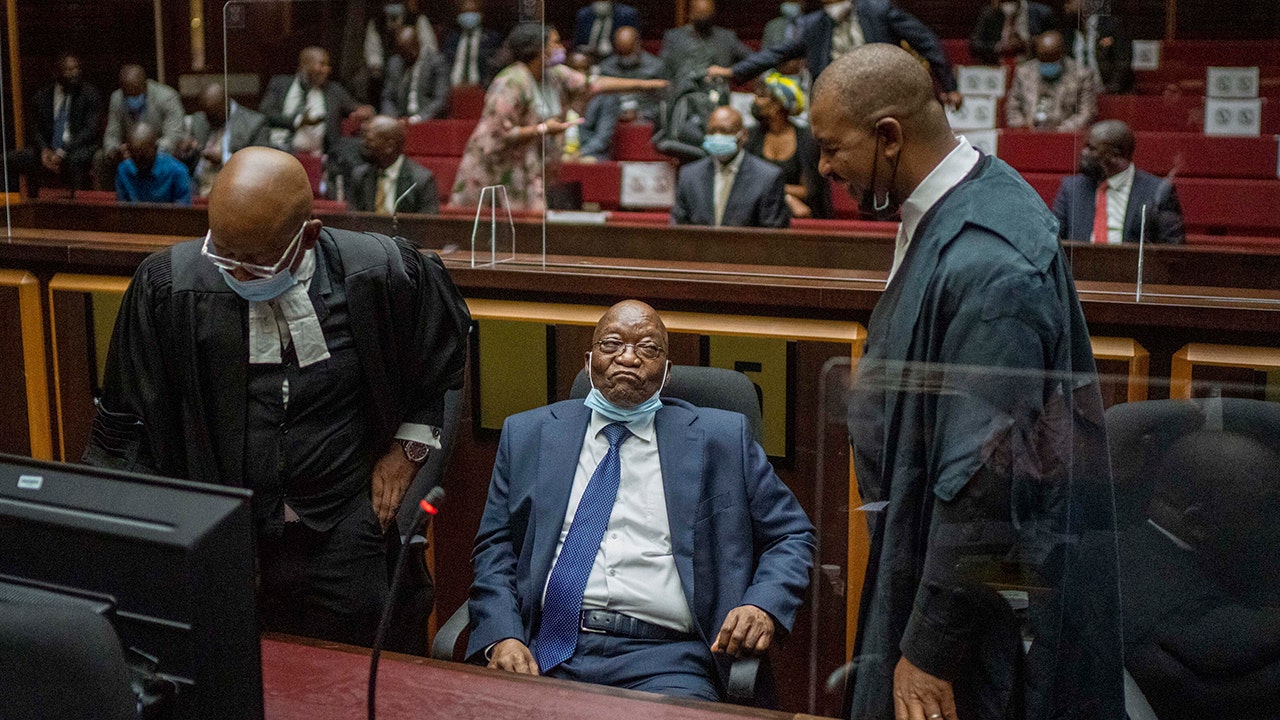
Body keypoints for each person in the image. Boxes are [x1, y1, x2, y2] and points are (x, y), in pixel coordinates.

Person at [809, 44, 1122, 720]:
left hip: (975, 622)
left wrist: (931, 649)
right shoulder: (958, 199)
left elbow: (984, 484)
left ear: (889, 136)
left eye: (833, 148)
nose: (824, 167)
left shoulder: (989, 264)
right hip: (928, 562)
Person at [84, 146, 470, 651]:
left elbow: (438, 358)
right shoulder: (170, 287)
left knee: (350, 671)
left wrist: (407, 450)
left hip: (344, 525)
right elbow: (128, 424)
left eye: (255, 262)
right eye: (224, 254)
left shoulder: (379, 271)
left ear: (308, 235)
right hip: (223, 529)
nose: (236, 274)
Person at [468, 299, 815, 700]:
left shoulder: (721, 439)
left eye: (648, 348)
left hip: (669, 661)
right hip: (548, 650)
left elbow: (792, 535)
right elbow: (494, 548)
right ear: (588, 361)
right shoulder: (529, 434)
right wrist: (504, 636)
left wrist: (762, 605)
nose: (628, 358)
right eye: (611, 344)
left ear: (667, 371)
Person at [1119, 430, 1280, 720]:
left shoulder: (1111, 552)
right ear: (1197, 523)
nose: (1275, 524)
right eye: (1266, 509)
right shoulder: (1195, 624)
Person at [449, 24, 666, 212]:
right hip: (494, 168)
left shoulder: (554, 75)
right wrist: (543, 128)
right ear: (539, 49)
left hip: (530, 169)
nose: (561, 48)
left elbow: (593, 83)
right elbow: (499, 132)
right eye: (555, 43)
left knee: (531, 229)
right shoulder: (511, 82)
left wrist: (645, 84)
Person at [708, 0, 961, 110]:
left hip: (884, 93)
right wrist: (734, 71)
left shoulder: (877, 10)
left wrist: (949, 86)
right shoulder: (815, 25)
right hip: (839, 99)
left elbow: (926, 41)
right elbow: (778, 53)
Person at [1052, 120, 1185, 245]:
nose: (1083, 153)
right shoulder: (1071, 188)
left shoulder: (1158, 192)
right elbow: (1054, 242)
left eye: (1091, 149)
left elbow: (1172, 249)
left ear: (1116, 155)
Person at [672, 107, 790, 228]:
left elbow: (773, 233)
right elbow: (678, 229)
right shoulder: (689, 175)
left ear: (744, 135)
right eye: (712, 131)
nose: (717, 136)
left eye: (725, 131)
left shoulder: (768, 177)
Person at [6, 53, 101, 195]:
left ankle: (77, 206)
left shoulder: (89, 94)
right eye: (69, 70)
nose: (74, 73)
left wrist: (62, 152)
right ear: (56, 73)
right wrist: (44, 150)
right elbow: (35, 129)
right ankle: (17, 204)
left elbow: (90, 130)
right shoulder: (42, 97)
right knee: (8, 160)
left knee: (76, 160)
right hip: (48, 149)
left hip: (76, 148)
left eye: (76, 68)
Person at [259, 47, 374, 156]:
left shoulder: (334, 90)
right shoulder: (280, 84)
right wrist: (298, 121)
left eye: (327, 65)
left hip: (321, 155)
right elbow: (265, 113)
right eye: (322, 64)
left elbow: (357, 108)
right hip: (278, 149)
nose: (326, 69)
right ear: (304, 65)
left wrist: (367, 111)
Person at [745, 73, 830, 219]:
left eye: (762, 96)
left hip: (801, 215)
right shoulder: (752, 136)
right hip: (757, 211)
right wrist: (787, 197)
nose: (756, 100)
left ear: (778, 105)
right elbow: (746, 183)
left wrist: (774, 191)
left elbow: (809, 190)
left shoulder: (806, 139)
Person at [96, 64, 186, 190]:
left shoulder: (167, 97)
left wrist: (143, 150)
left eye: (135, 94)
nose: (131, 98)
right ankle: (111, 199)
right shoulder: (117, 98)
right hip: (128, 153)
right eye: (127, 94)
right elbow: (112, 133)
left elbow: (173, 136)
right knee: (100, 158)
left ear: (145, 86)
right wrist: (115, 150)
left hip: (157, 150)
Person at [180, 83, 271, 197]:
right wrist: (187, 151)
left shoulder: (255, 123)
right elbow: (189, 163)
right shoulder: (199, 119)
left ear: (226, 104)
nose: (209, 120)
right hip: (198, 182)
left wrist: (224, 159)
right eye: (206, 115)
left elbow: (261, 165)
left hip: (236, 184)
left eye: (214, 115)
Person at [1005, 30, 1098, 131]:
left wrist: (1060, 130)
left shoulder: (1081, 75)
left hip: (1065, 133)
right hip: (1029, 132)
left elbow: (1086, 112)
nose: (1048, 63)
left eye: (1052, 59)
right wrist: (1023, 126)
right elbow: (1012, 106)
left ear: (1062, 54)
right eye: (1043, 59)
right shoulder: (1024, 72)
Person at [351, 115, 439, 215]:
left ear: (389, 146)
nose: (363, 145)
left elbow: (428, 222)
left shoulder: (421, 180)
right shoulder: (360, 176)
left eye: (369, 141)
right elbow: (353, 219)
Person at [660, 0, 753, 82]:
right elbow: (662, 69)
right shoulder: (674, 38)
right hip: (684, 91)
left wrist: (729, 72)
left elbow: (752, 62)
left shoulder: (726, 38)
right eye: (700, 15)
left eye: (707, 16)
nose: (704, 20)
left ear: (713, 14)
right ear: (691, 14)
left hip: (717, 90)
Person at [1062, 0, 1134, 94]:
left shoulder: (1112, 26)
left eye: (1069, 2)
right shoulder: (1068, 33)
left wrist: (1110, 89)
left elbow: (1123, 61)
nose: (1065, 6)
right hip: (1075, 92)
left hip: (1107, 92)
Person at [381, 25, 450, 122]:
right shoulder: (395, 63)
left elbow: (441, 99)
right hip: (400, 119)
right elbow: (388, 97)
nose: (404, 56)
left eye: (408, 51)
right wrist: (392, 118)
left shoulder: (436, 62)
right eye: (401, 52)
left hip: (426, 120)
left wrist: (417, 119)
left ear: (417, 45)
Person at [597, 26, 665, 124]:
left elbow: (663, 104)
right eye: (622, 53)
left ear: (638, 45)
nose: (626, 58)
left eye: (629, 53)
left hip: (646, 118)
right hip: (612, 117)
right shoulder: (606, 67)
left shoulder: (656, 67)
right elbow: (600, 100)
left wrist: (641, 114)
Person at [114, 123, 192, 206]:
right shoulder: (124, 170)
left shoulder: (177, 171)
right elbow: (121, 209)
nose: (140, 162)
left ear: (156, 148)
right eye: (134, 157)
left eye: (144, 156)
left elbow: (183, 210)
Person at [969, 0, 1055, 65]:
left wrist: (1026, 43)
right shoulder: (989, 13)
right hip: (998, 67)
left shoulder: (1041, 13)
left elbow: (1054, 45)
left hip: (1030, 65)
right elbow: (974, 44)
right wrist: (997, 47)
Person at [443, 0, 503, 88]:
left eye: (472, 11)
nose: (468, 15)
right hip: (453, 88)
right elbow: (444, 64)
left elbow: (495, 66)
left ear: (481, 15)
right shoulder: (451, 38)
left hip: (481, 89)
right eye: (464, 12)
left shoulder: (491, 39)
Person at [574, 1, 640, 58]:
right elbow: (577, 43)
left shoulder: (627, 15)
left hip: (615, 59)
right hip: (588, 57)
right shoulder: (584, 14)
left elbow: (631, 44)